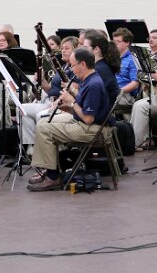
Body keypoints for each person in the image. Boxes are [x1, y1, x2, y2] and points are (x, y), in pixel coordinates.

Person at [27, 48, 112, 191]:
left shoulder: (93, 85)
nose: (71, 69)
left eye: (73, 65)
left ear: (83, 64)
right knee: (43, 122)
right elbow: (83, 106)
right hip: (88, 124)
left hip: (94, 130)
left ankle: (53, 177)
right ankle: (51, 169)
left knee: (45, 128)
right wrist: (68, 105)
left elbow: (88, 118)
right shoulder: (89, 79)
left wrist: (71, 102)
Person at [19, 36, 77, 150]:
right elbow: (51, 90)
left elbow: (73, 90)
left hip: (62, 105)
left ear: (75, 50)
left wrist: (59, 101)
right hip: (50, 102)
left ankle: (49, 150)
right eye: (62, 48)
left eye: (67, 48)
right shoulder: (63, 66)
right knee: (21, 109)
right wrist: (42, 82)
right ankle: (31, 146)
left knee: (40, 116)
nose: (63, 51)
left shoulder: (74, 69)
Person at [82, 31, 121, 105]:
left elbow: (87, 96)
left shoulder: (101, 69)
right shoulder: (99, 66)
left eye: (85, 48)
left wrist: (72, 90)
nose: (82, 51)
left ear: (96, 49)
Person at [112, 27, 139, 108]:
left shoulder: (132, 59)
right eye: (114, 42)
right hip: (114, 92)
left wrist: (118, 91)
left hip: (126, 95)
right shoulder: (113, 57)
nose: (115, 44)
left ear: (127, 42)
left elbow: (135, 84)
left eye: (118, 42)